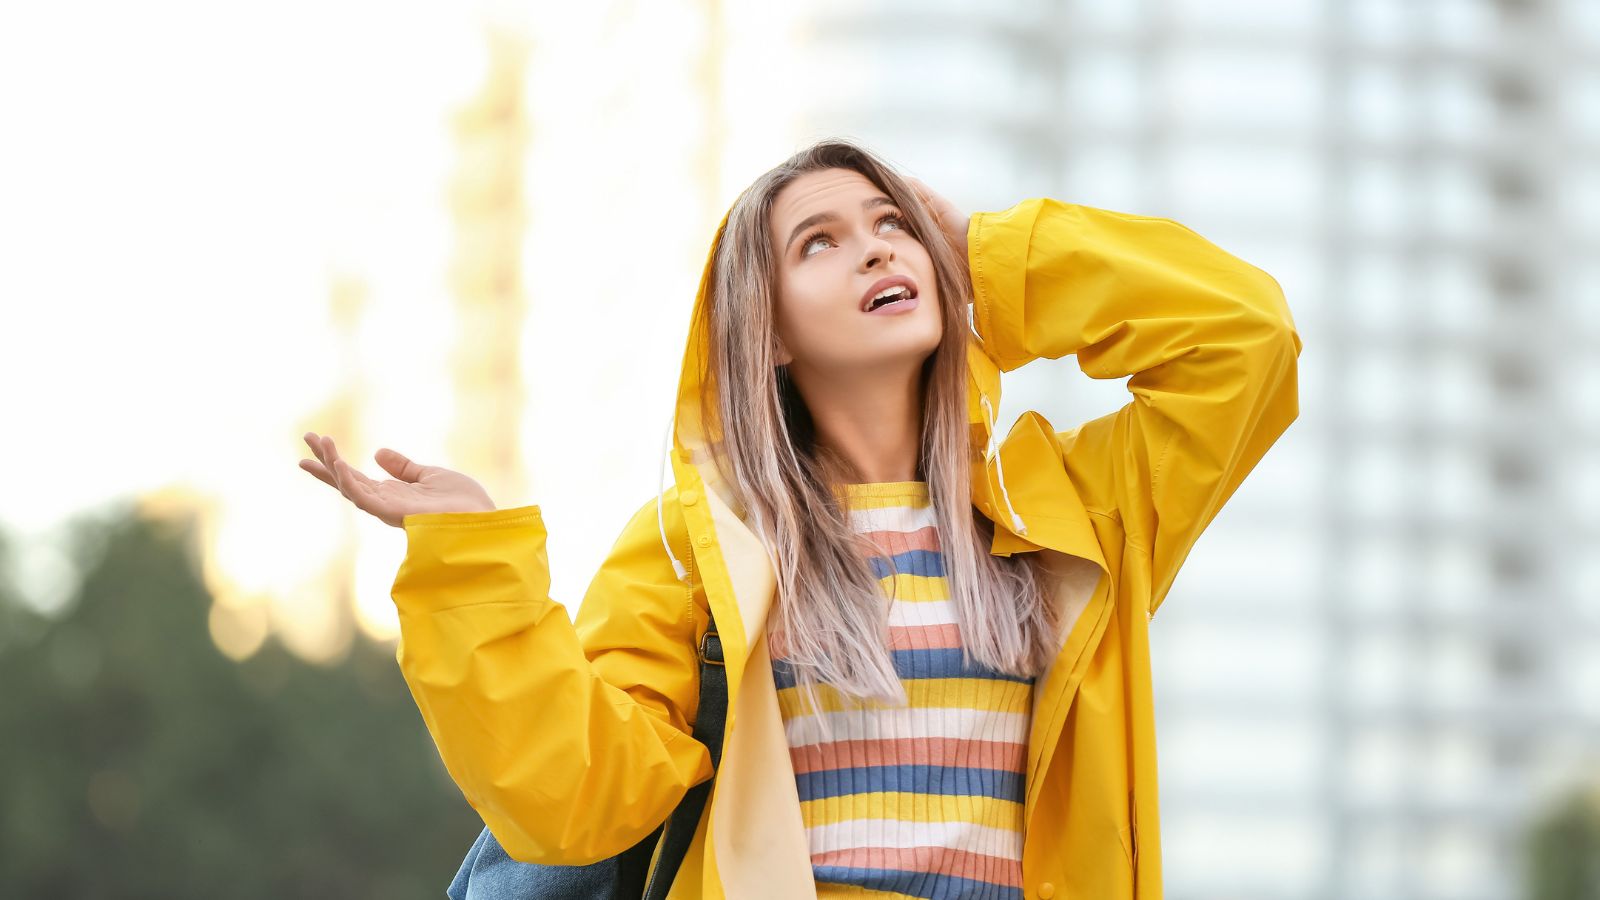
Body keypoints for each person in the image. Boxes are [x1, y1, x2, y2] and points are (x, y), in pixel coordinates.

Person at [298, 137, 1302, 899]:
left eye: (891, 225)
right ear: (766, 328)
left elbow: (1244, 342)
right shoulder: (699, 543)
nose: (874, 252)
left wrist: (988, 259)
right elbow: (580, 795)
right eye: (819, 242)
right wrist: (473, 565)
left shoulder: (1074, 510)